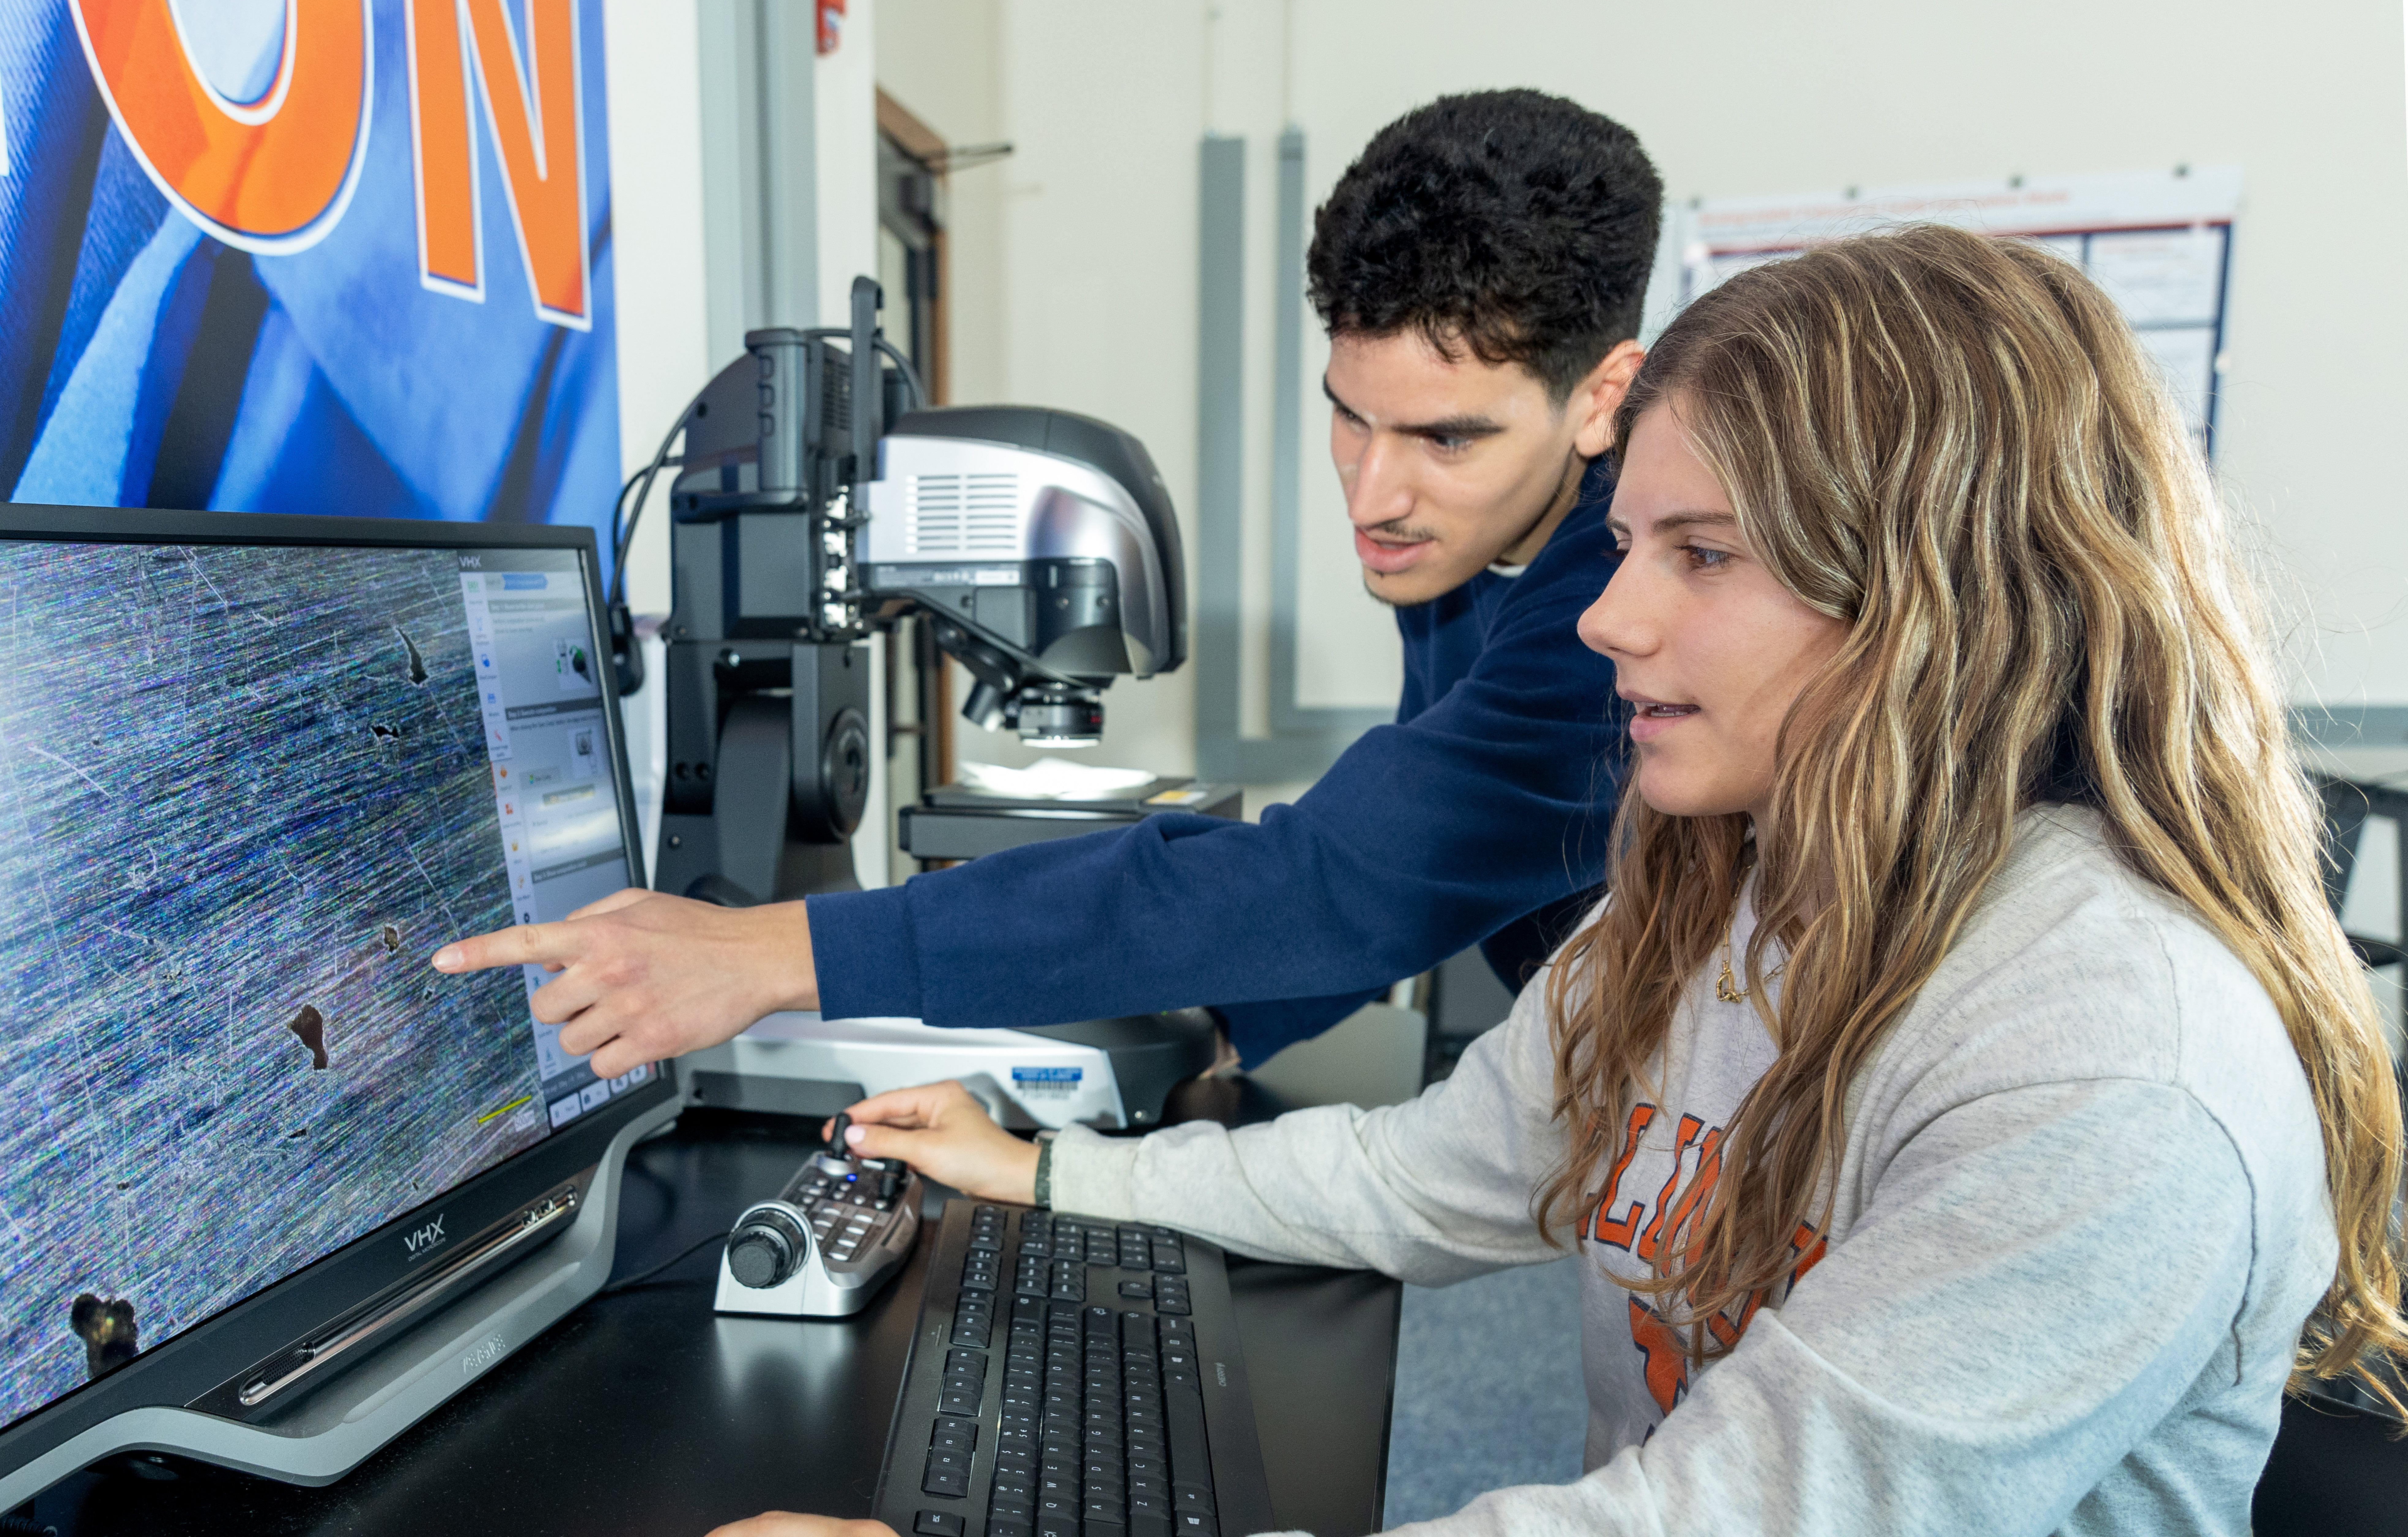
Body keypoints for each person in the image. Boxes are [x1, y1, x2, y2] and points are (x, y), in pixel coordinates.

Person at [700, 225, 2408, 1537]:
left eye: (1703, 555)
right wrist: (1052, 1173)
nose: (1604, 617)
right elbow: (1426, 1176)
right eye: (1627, 543)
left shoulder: (2106, 1063)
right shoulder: (1726, 890)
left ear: (1944, 602)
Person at [430, 90, 1662, 1072]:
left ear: (1602, 395)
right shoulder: (1466, 536)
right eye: (1350, 415)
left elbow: (1339, 881)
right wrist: (1216, 1030)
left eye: (1445, 437)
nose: (1373, 492)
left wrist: (768, 954)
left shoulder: (1627, 609)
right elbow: (1414, 860)